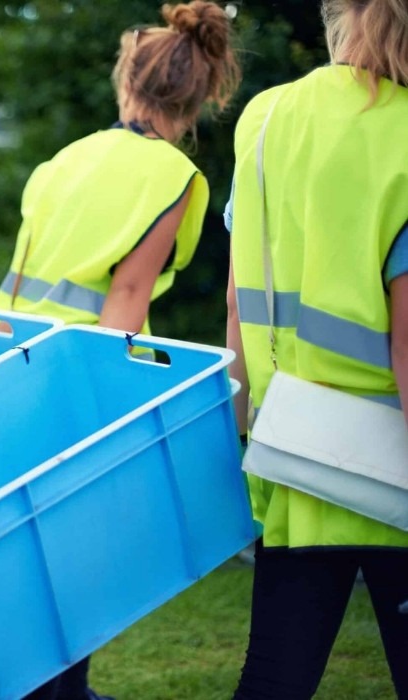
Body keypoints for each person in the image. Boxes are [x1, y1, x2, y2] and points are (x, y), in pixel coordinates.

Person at [0, 2, 241, 698]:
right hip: (74, 375)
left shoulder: (66, 158)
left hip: (3, 364)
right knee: (75, 551)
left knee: (20, 550)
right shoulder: (176, 179)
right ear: (202, 96)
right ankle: (62, 692)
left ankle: (53, 688)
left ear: (127, 81)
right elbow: (128, 297)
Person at [224, 0, 408, 697]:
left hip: (291, 449)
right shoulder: (402, 132)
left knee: (275, 674)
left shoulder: (266, 118)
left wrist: (238, 432)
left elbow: (241, 295)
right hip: (391, 462)